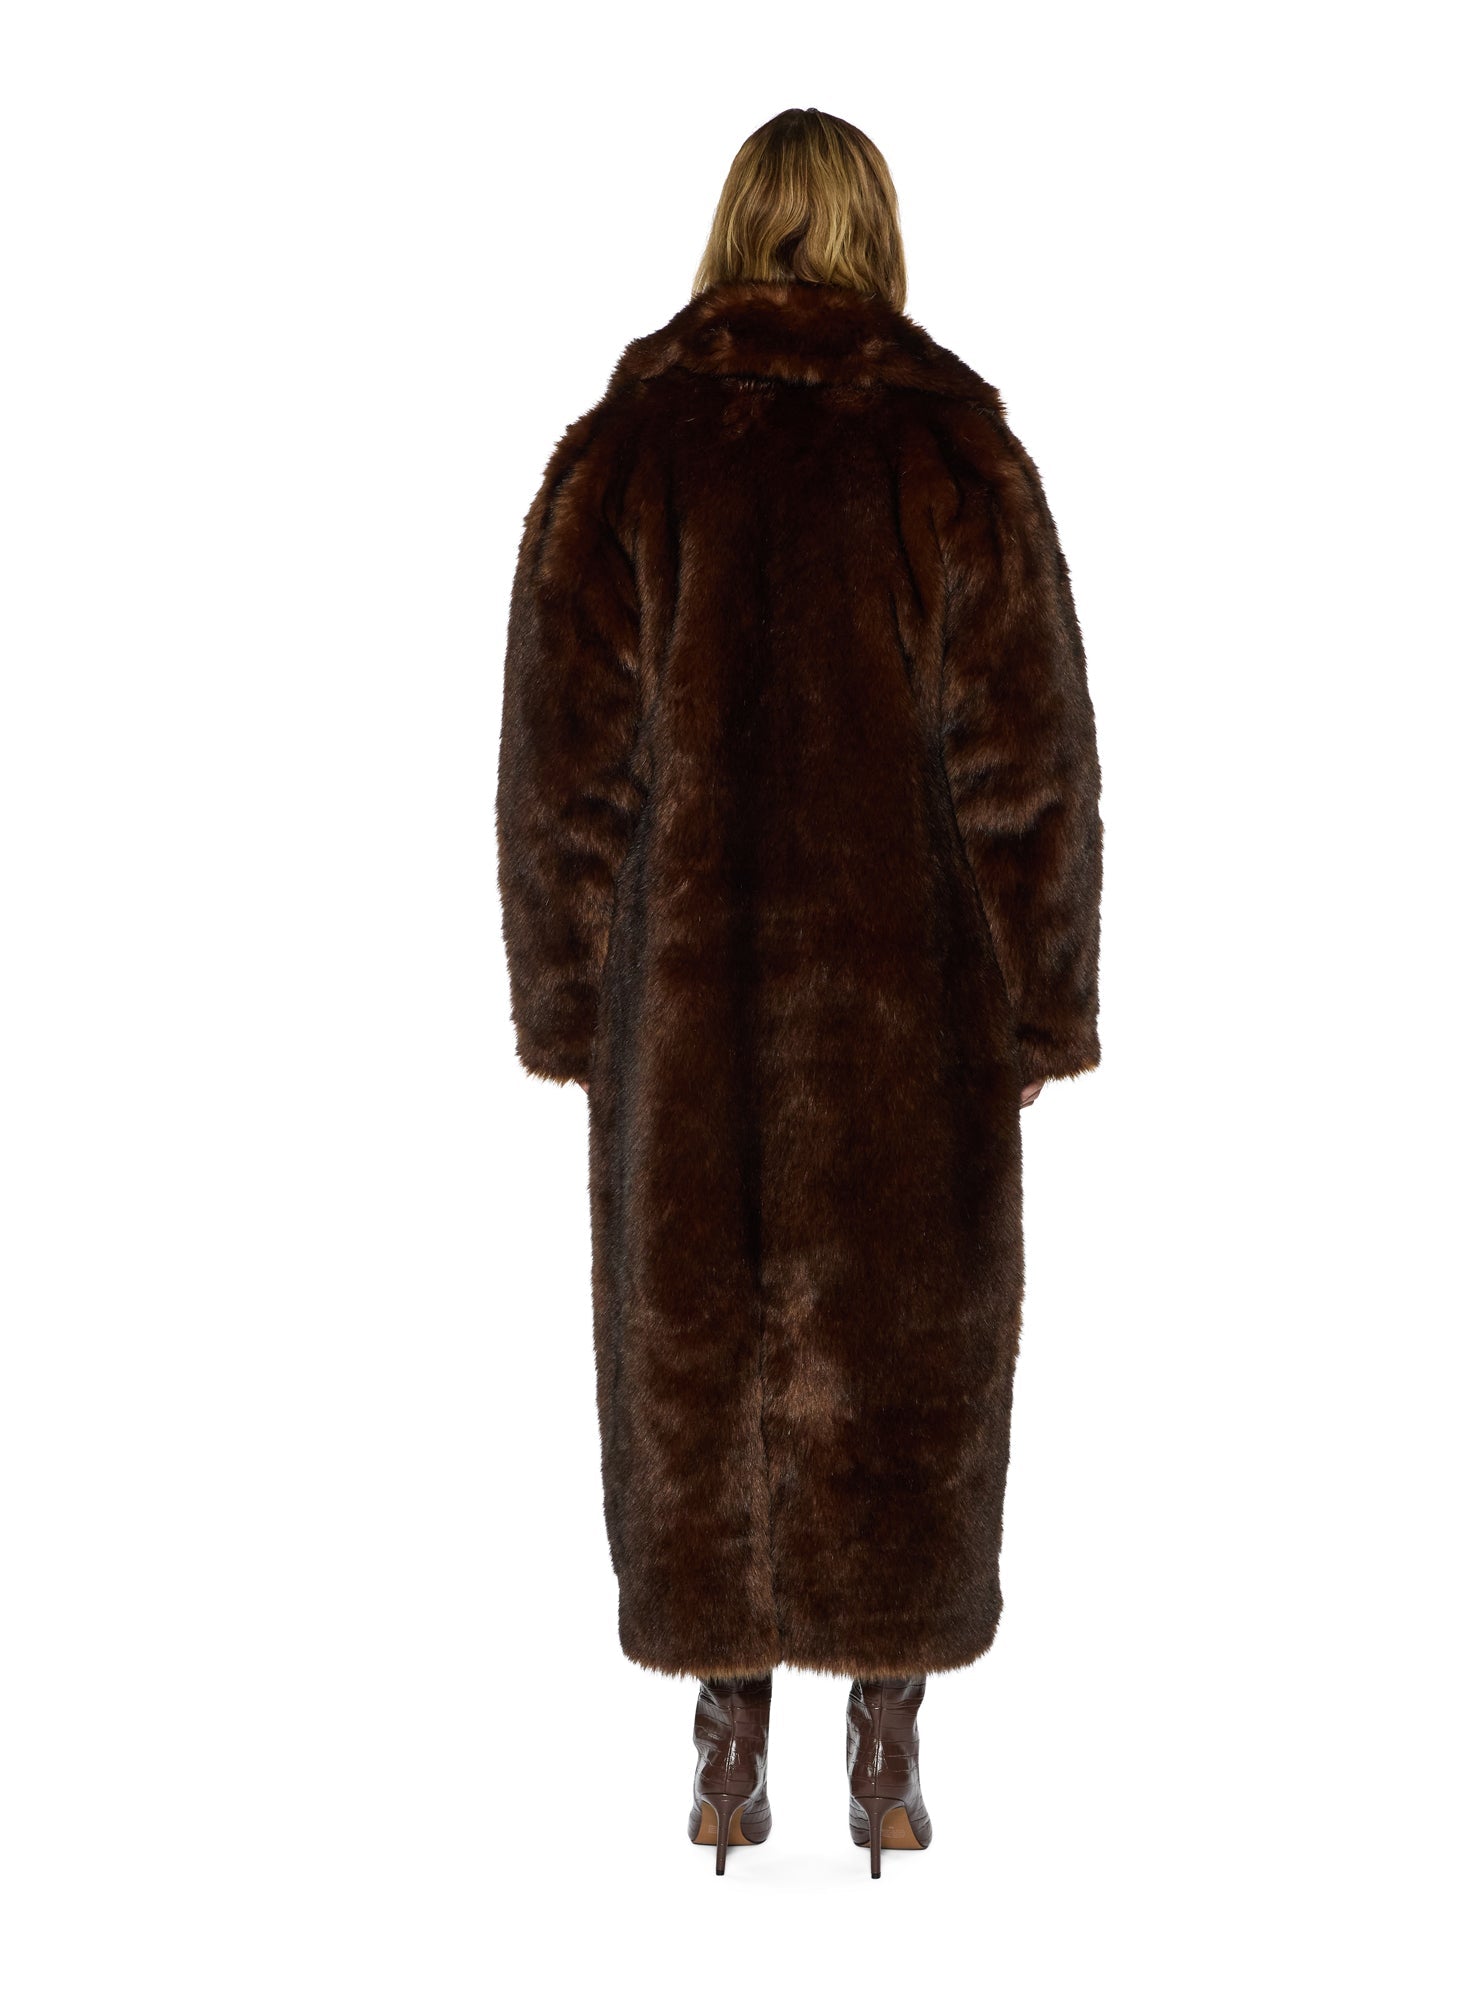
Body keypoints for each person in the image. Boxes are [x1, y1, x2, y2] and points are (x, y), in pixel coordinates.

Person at [496, 107, 1102, 1877]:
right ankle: (888, 1757)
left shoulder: (629, 452)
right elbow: (1030, 761)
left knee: (699, 1358)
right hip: (909, 1016)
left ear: (732, 226)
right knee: (902, 1358)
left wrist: (569, 1001)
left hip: (683, 1022)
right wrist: (1042, 1002)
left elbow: (559, 762)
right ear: (875, 232)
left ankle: (723, 1756)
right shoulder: (950, 448)